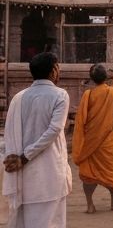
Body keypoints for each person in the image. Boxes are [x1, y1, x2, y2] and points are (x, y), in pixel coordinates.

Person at [2, 52, 73, 228]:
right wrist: (25, 156)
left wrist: (19, 158)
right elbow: (54, 130)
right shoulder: (60, 95)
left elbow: (9, 133)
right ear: (53, 71)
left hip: (24, 174)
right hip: (49, 172)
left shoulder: (18, 97)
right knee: (51, 221)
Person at [71, 63, 113, 214]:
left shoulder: (88, 95)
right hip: (107, 141)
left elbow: (81, 120)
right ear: (106, 77)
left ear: (91, 79)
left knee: (88, 174)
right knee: (111, 172)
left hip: (90, 141)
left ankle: (90, 204)